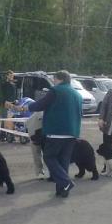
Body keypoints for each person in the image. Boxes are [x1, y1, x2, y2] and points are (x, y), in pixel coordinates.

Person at [19, 70, 82, 198]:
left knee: (49, 157)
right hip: (72, 133)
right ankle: (62, 190)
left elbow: (41, 104)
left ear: (60, 79)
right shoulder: (77, 94)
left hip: (56, 132)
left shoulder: (55, 91)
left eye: (54, 79)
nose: (53, 81)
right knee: (63, 161)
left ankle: (66, 182)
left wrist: (27, 107)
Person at [0, 70, 17, 142]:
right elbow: (4, 94)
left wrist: (15, 100)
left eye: (12, 75)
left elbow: (13, 94)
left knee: (12, 120)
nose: (11, 77)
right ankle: (2, 136)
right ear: (7, 76)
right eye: (10, 75)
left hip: (13, 104)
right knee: (4, 120)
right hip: (6, 104)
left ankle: (11, 136)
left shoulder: (13, 84)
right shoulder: (5, 84)